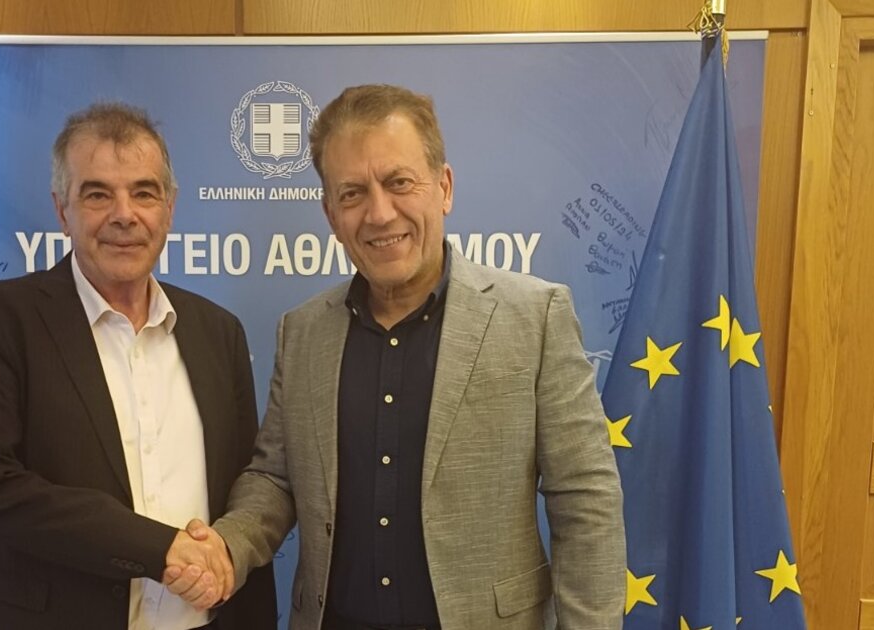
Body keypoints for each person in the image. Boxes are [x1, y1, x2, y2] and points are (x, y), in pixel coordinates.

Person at [167, 85, 625, 630]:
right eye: (353, 193)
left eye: (399, 182)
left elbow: (585, 500)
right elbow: (276, 478)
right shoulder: (303, 332)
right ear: (331, 213)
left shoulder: (535, 316)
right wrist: (228, 544)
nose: (380, 213)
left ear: (444, 187)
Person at [0, 102, 276, 629]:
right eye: (98, 194)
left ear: (169, 208)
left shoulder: (219, 332)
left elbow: (244, 484)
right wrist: (159, 548)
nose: (125, 214)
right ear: (62, 211)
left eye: (144, 193)